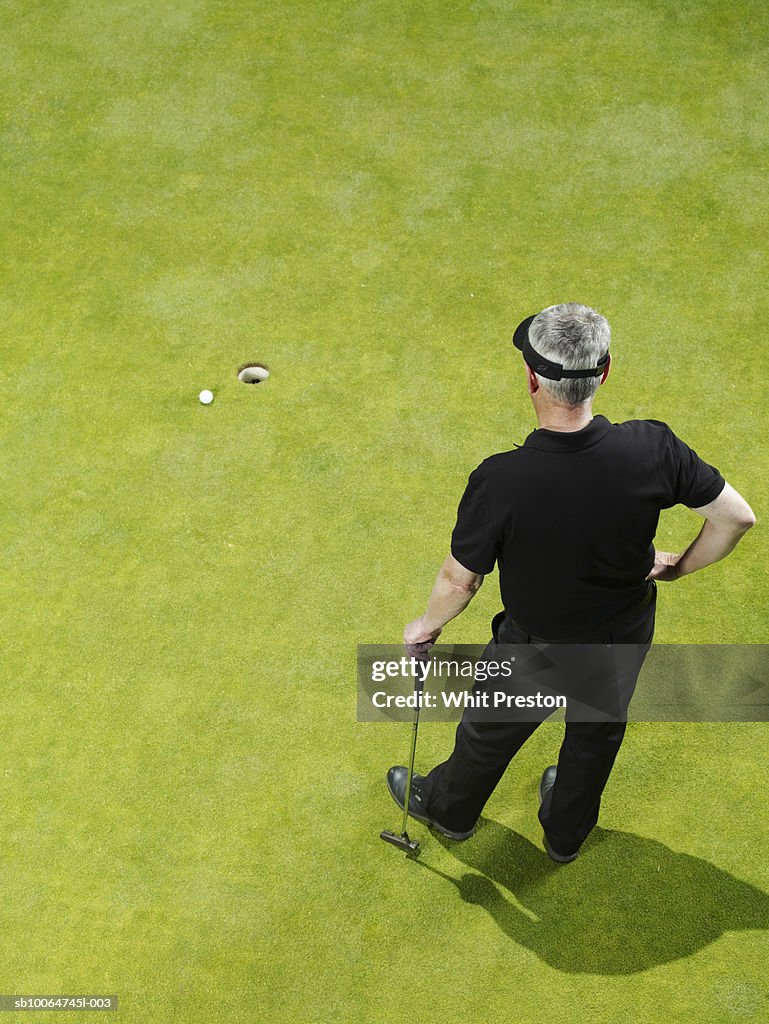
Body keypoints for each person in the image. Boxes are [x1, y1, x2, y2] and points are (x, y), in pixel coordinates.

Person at [386, 302, 756, 862]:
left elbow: (460, 582)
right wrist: (679, 565)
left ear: (532, 378)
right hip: (623, 630)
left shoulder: (501, 480)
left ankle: (449, 810)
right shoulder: (652, 447)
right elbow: (736, 518)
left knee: (490, 730)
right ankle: (565, 834)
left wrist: (425, 625)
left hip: (539, 645)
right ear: (602, 373)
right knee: (595, 737)